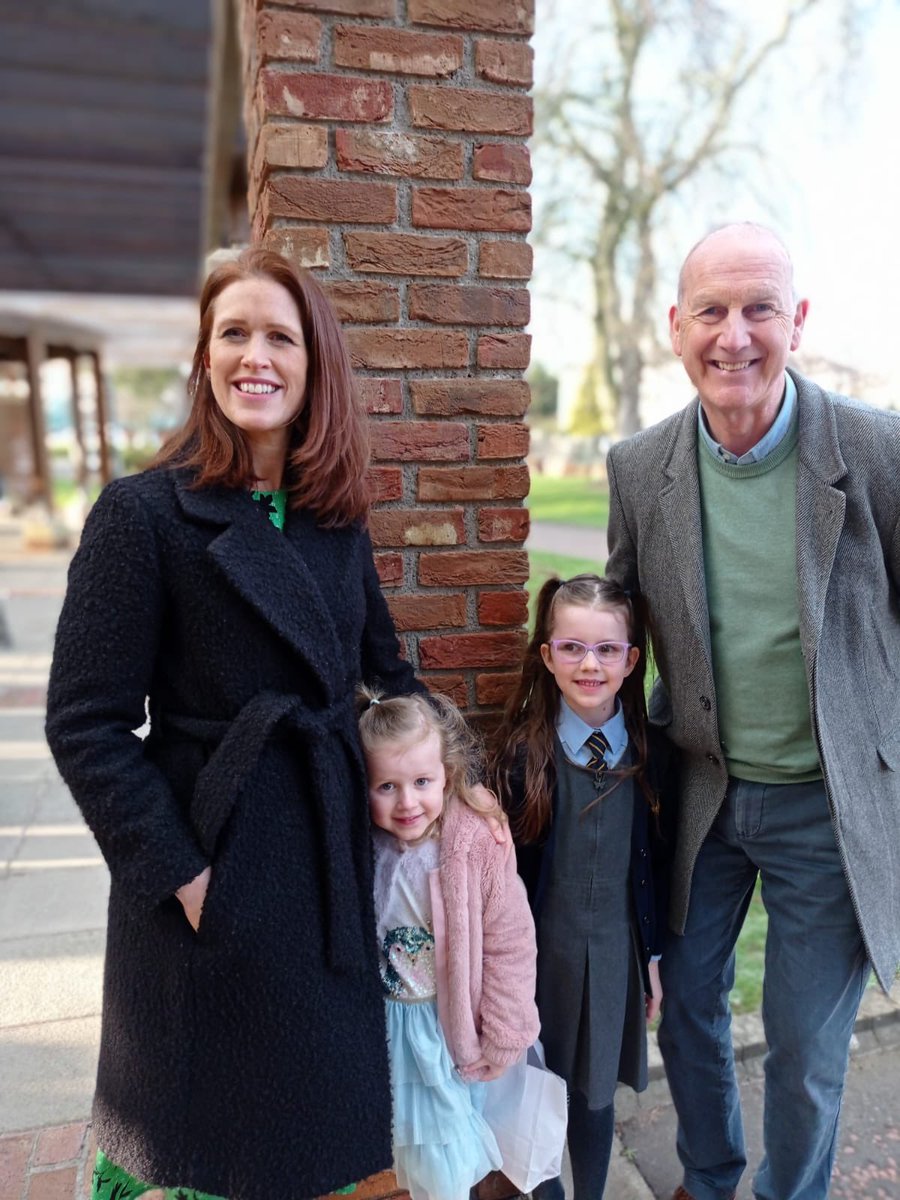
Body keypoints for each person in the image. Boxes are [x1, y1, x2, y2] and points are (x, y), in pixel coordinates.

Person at [45, 248, 426, 1200]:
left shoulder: (336, 517)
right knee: (198, 1155)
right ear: (206, 357)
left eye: (281, 337)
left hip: (324, 864)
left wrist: (440, 780)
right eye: (234, 334)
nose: (256, 357)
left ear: (314, 364)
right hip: (207, 865)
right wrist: (183, 874)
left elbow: (385, 671)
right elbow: (84, 721)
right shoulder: (142, 515)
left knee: (314, 1149)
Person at [605, 221, 900, 1200]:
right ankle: (711, 1174)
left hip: (829, 804)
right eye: (713, 311)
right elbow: (616, 632)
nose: (736, 336)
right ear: (676, 326)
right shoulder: (636, 469)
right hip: (702, 793)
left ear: (798, 321)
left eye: (760, 308)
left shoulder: (873, 448)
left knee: (804, 1046)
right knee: (684, 1007)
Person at [490, 574, 677, 1200]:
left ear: (631, 659)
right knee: (535, 1091)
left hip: (614, 957)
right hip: (538, 957)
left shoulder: (655, 756)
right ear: (547, 656)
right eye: (571, 647)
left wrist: (651, 958)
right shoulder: (521, 756)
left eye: (605, 649)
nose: (588, 663)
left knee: (595, 1097)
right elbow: (504, 877)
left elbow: (660, 868)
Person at [358, 687, 540, 1200]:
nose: (408, 801)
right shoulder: (363, 847)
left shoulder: (473, 843)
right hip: (391, 1032)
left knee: (449, 1164)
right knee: (413, 1159)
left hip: (450, 1030)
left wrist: (504, 1031)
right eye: (386, 787)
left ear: (449, 773)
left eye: (421, 781)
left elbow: (510, 939)